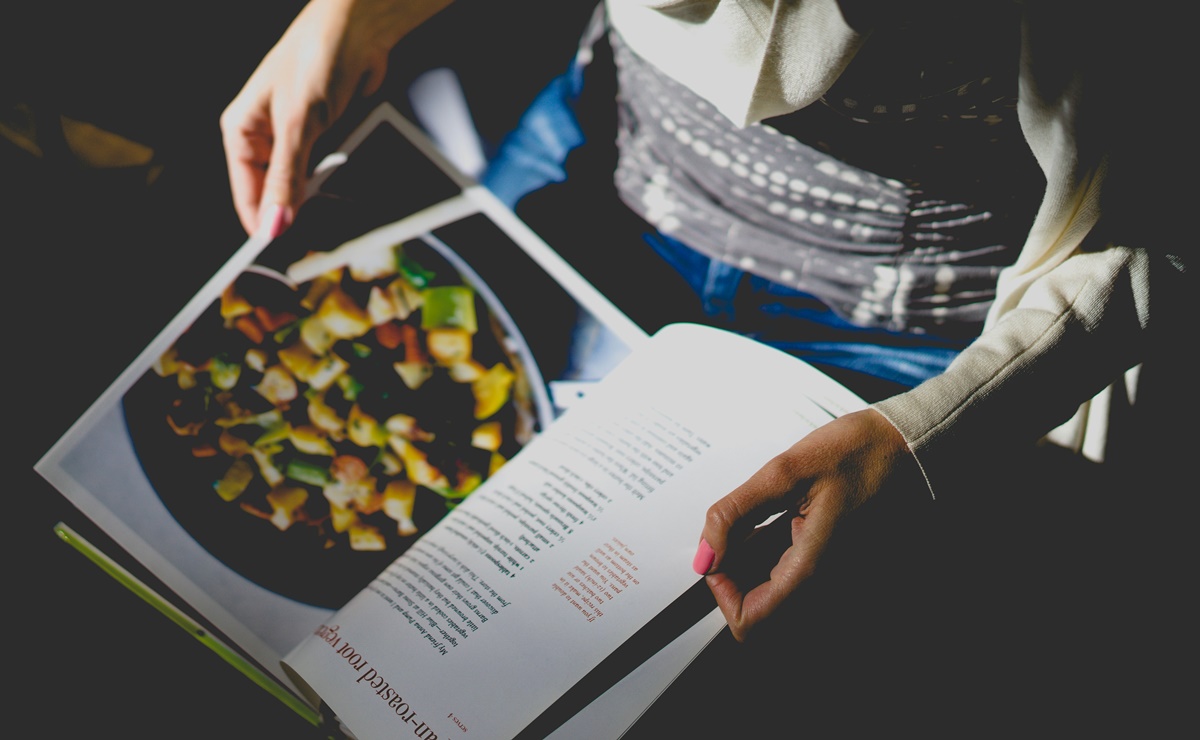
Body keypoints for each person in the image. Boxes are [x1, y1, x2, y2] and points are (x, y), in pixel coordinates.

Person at [222, 0, 1188, 730]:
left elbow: (1160, 222)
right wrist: (352, 16)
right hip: (605, 157)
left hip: (912, 321)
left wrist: (928, 433)